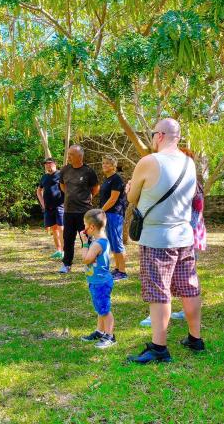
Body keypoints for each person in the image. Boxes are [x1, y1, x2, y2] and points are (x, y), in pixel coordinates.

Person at [125, 118, 204, 364]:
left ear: (159, 135)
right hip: (183, 236)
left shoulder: (149, 162)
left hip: (157, 238)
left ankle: (159, 348)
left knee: (159, 293)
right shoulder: (189, 163)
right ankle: (195, 338)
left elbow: (132, 197)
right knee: (189, 287)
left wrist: (131, 187)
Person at [140, 148, 207, 325]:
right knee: (186, 280)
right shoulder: (193, 182)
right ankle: (191, 327)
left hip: (179, 234)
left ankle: (159, 318)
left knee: (165, 279)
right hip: (187, 234)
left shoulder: (189, 183)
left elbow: (192, 211)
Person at [58, 145, 99, 273]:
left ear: (80, 156)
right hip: (68, 211)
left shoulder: (88, 171)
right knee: (68, 239)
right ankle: (66, 265)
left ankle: (89, 264)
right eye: (68, 154)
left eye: (71, 154)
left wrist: (85, 198)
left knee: (86, 238)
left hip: (84, 212)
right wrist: (71, 197)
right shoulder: (65, 170)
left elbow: (96, 188)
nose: (68, 156)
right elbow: (62, 186)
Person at [79, 209, 116, 349]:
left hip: (100, 282)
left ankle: (110, 336)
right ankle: (100, 331)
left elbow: (86, 259)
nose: (84, 228)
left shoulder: (95, 244)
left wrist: (84, 243)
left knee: (104, 310)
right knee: (100, 308)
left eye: (85, 225)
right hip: (98, 281)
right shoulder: (102, 239)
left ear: (92, 227)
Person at [99, 155, 128, 281]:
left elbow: (113, 199)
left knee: (117, 242)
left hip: (115, 214)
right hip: (107, 214)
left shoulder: (116, 179)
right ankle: (117, 269)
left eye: (107, 163)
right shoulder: (107, 179)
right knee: (112, 242)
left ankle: (122, 271)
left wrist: (100, 211)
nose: (104, 165)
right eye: (103, 163)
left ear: (113, 166)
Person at [36, 157, 64, 259]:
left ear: (55, 164)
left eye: (50, 163)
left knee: (61, 228)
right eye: (46, 164)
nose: (48, 165)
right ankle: (59, 250)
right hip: (48, 208)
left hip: (60, 206)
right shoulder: (44, 177)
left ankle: (65, 252)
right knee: (54, 229)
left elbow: (67, 188)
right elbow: (39, 190)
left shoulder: (61, 174)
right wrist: (43, 204)